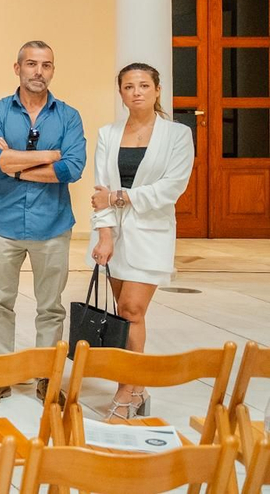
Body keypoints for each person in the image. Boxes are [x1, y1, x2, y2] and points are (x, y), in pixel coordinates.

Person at [0, 41, 86, 406]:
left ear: (53, 71)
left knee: (50, 307)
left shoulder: (68, 116)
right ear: (17, 67)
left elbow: (72, 167)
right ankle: (0, 375)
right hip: (3, 223)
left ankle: (46, 377)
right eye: (32, 64)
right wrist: (47, 157)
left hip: (52, 224)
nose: (39, 71)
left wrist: (18, 163)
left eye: (47, 65)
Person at [88, 63, 194, 420]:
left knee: (132, 309)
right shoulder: (108, 133)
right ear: (120, 93)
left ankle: (124, 391)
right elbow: (100, 189)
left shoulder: (177, 135)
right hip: (114, 238)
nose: (137, 92)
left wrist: (121, 198)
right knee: (125, 315)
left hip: (151, 235)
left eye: (144, 85)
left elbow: (171, 188)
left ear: (157, 90)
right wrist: (104, 234)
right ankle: (138, 385)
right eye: (129, 86)